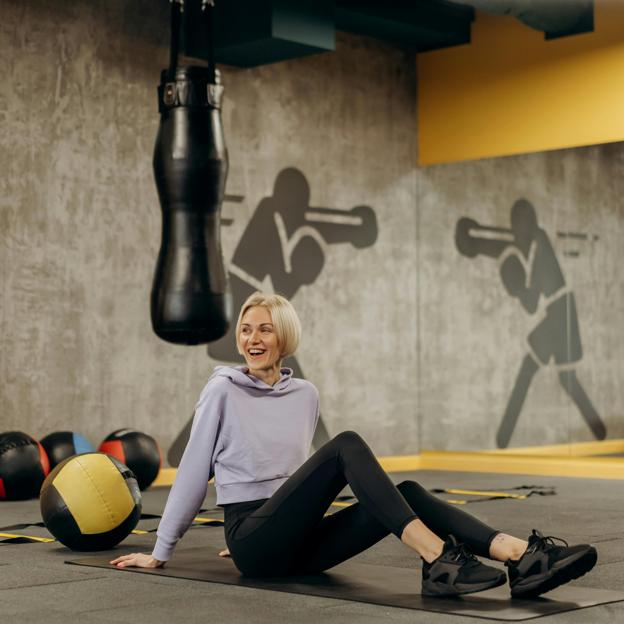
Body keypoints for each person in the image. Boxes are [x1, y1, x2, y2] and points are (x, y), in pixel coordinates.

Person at [110, 292, 597, 597]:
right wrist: (162, 549)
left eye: (265, 328)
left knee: (408, 490)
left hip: (290, 536)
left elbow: (293, 475)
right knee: (345, 446)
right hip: (254, 541)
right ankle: (436, 559)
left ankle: (521, 559)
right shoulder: (221, 389)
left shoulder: (305, 394)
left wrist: (279, 521)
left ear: (285, 337)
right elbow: (194, 470)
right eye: (245, 328)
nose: (252, 338)